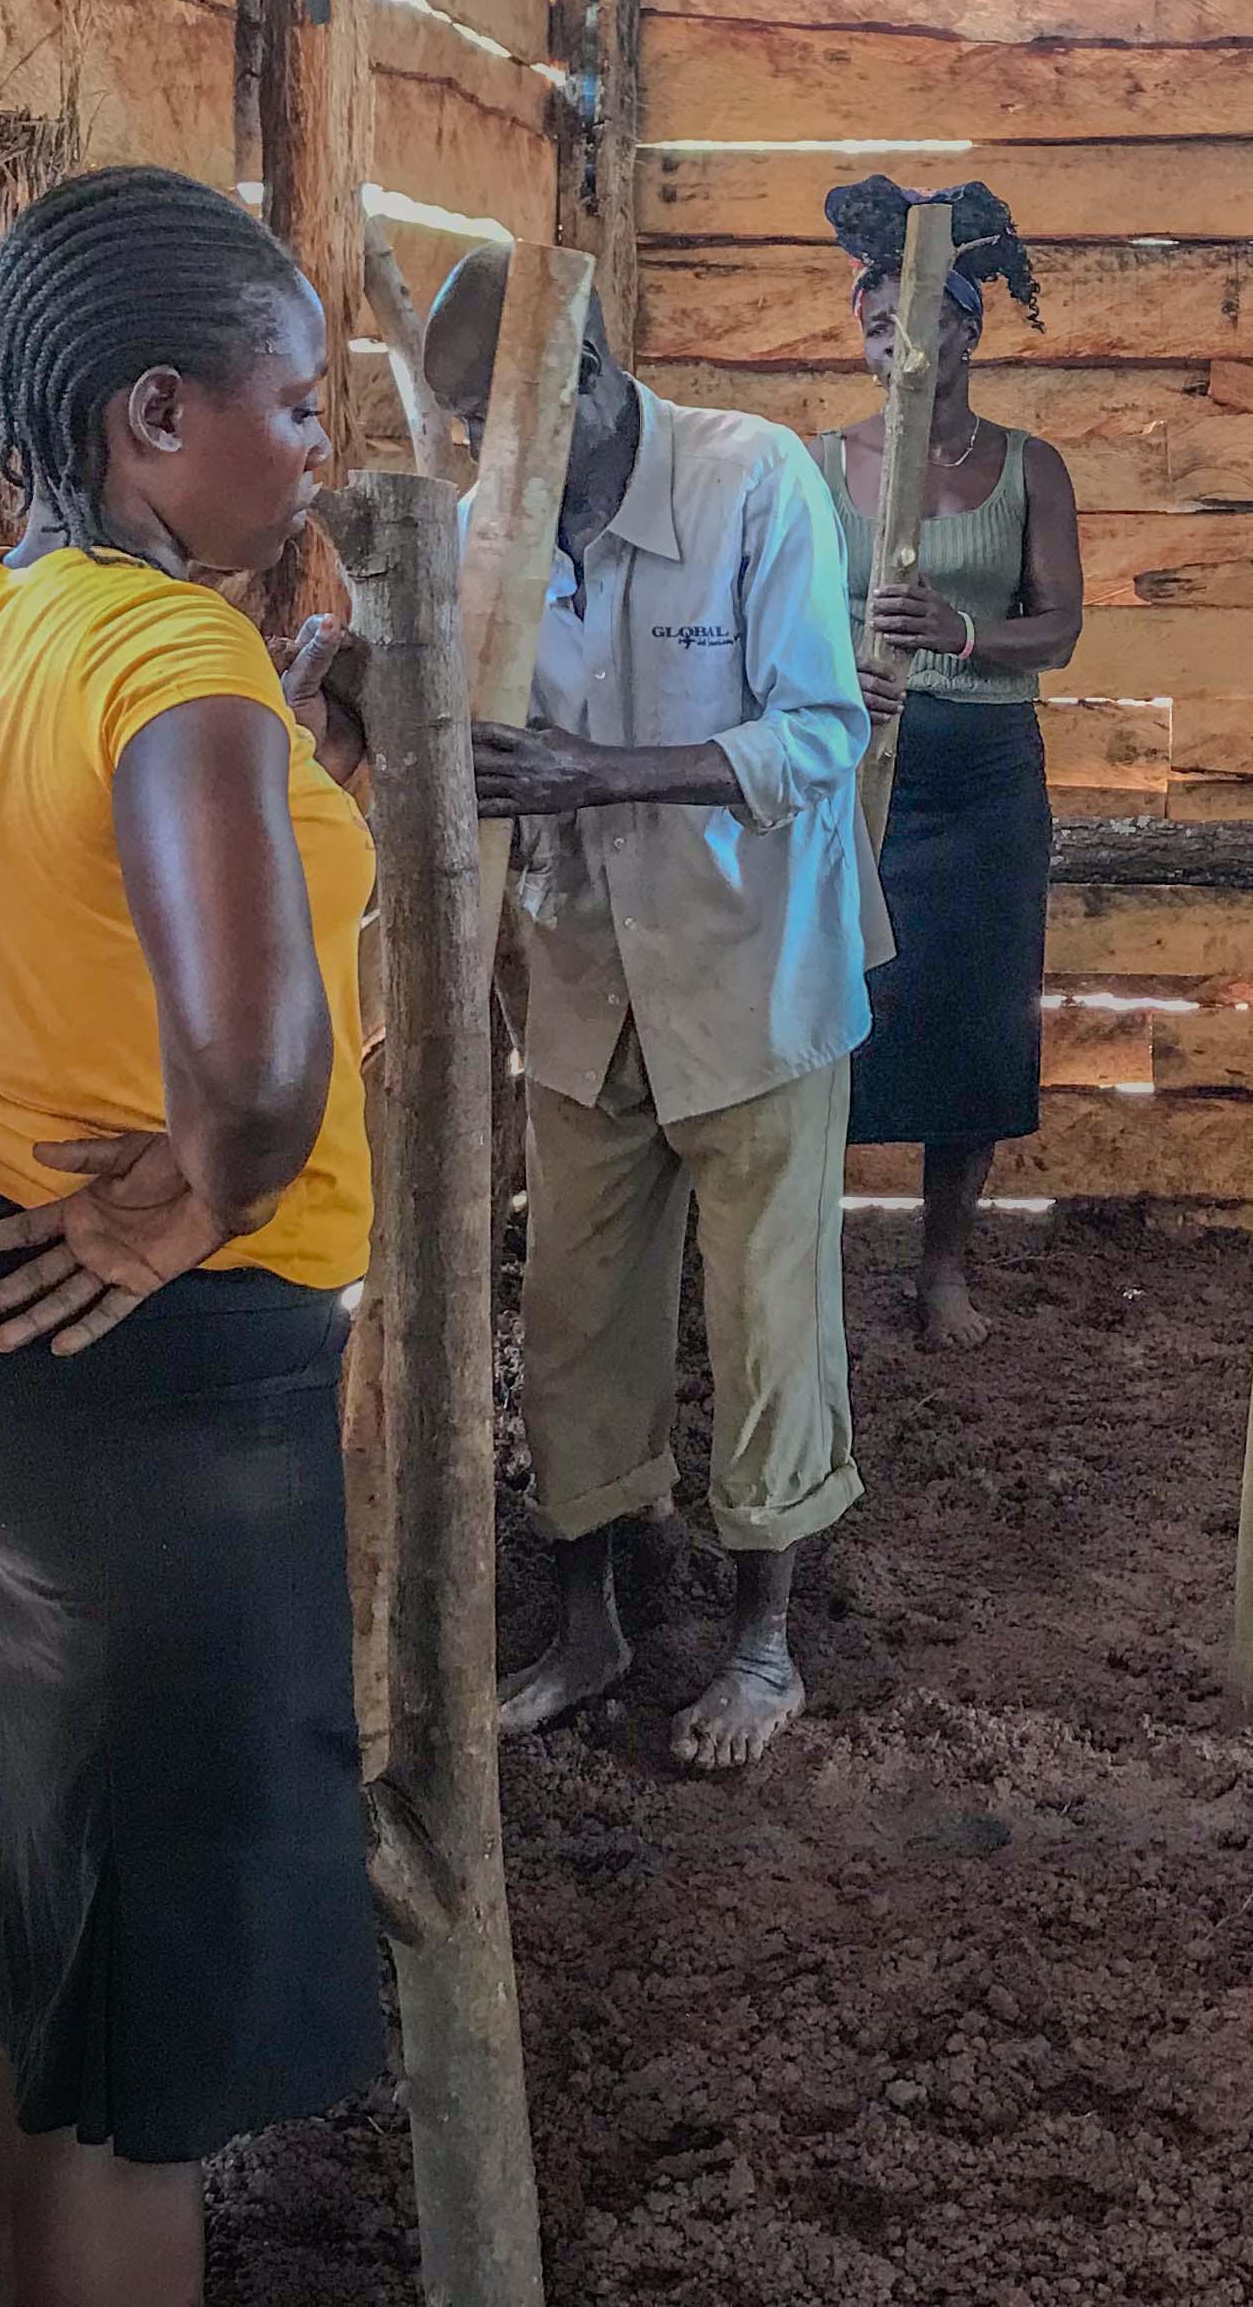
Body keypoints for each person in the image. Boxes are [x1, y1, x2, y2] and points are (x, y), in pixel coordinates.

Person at [0, 167, 389, 2307]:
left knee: (21, 1914)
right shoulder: (177, 659)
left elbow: (75, 875)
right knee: (146, 2043)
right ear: (154, 416)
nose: (321, 445)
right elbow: (254, 1070)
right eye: (296, 402)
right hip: (173, 1374)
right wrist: (199, 1193)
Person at [430, 255, 882, 1772]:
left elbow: (820, 731)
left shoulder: (754, 482)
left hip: (752, 974)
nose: (505, 485)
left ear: (599, 390)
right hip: (578, 981)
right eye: (475, 453)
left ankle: (763, 1642)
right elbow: (460, 731)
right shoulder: (487, 521)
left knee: (767, 1316)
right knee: (571, 1316)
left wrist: (596, 772)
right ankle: (591, 1622)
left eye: (524, 448)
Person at [806, 176, 1086, 1349]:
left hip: (984, 782)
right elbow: (783, 624)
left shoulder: (1032, 467)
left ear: (967, 327)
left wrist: (961, 635)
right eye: (873, 326)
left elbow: (1061, 630)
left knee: (972, 1019)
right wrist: (836, 677)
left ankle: (941, 1268)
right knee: (835, 1010)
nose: (892, 343)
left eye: (914, 322)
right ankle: (807, 1261)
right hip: (858, 775)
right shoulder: (816, 466)